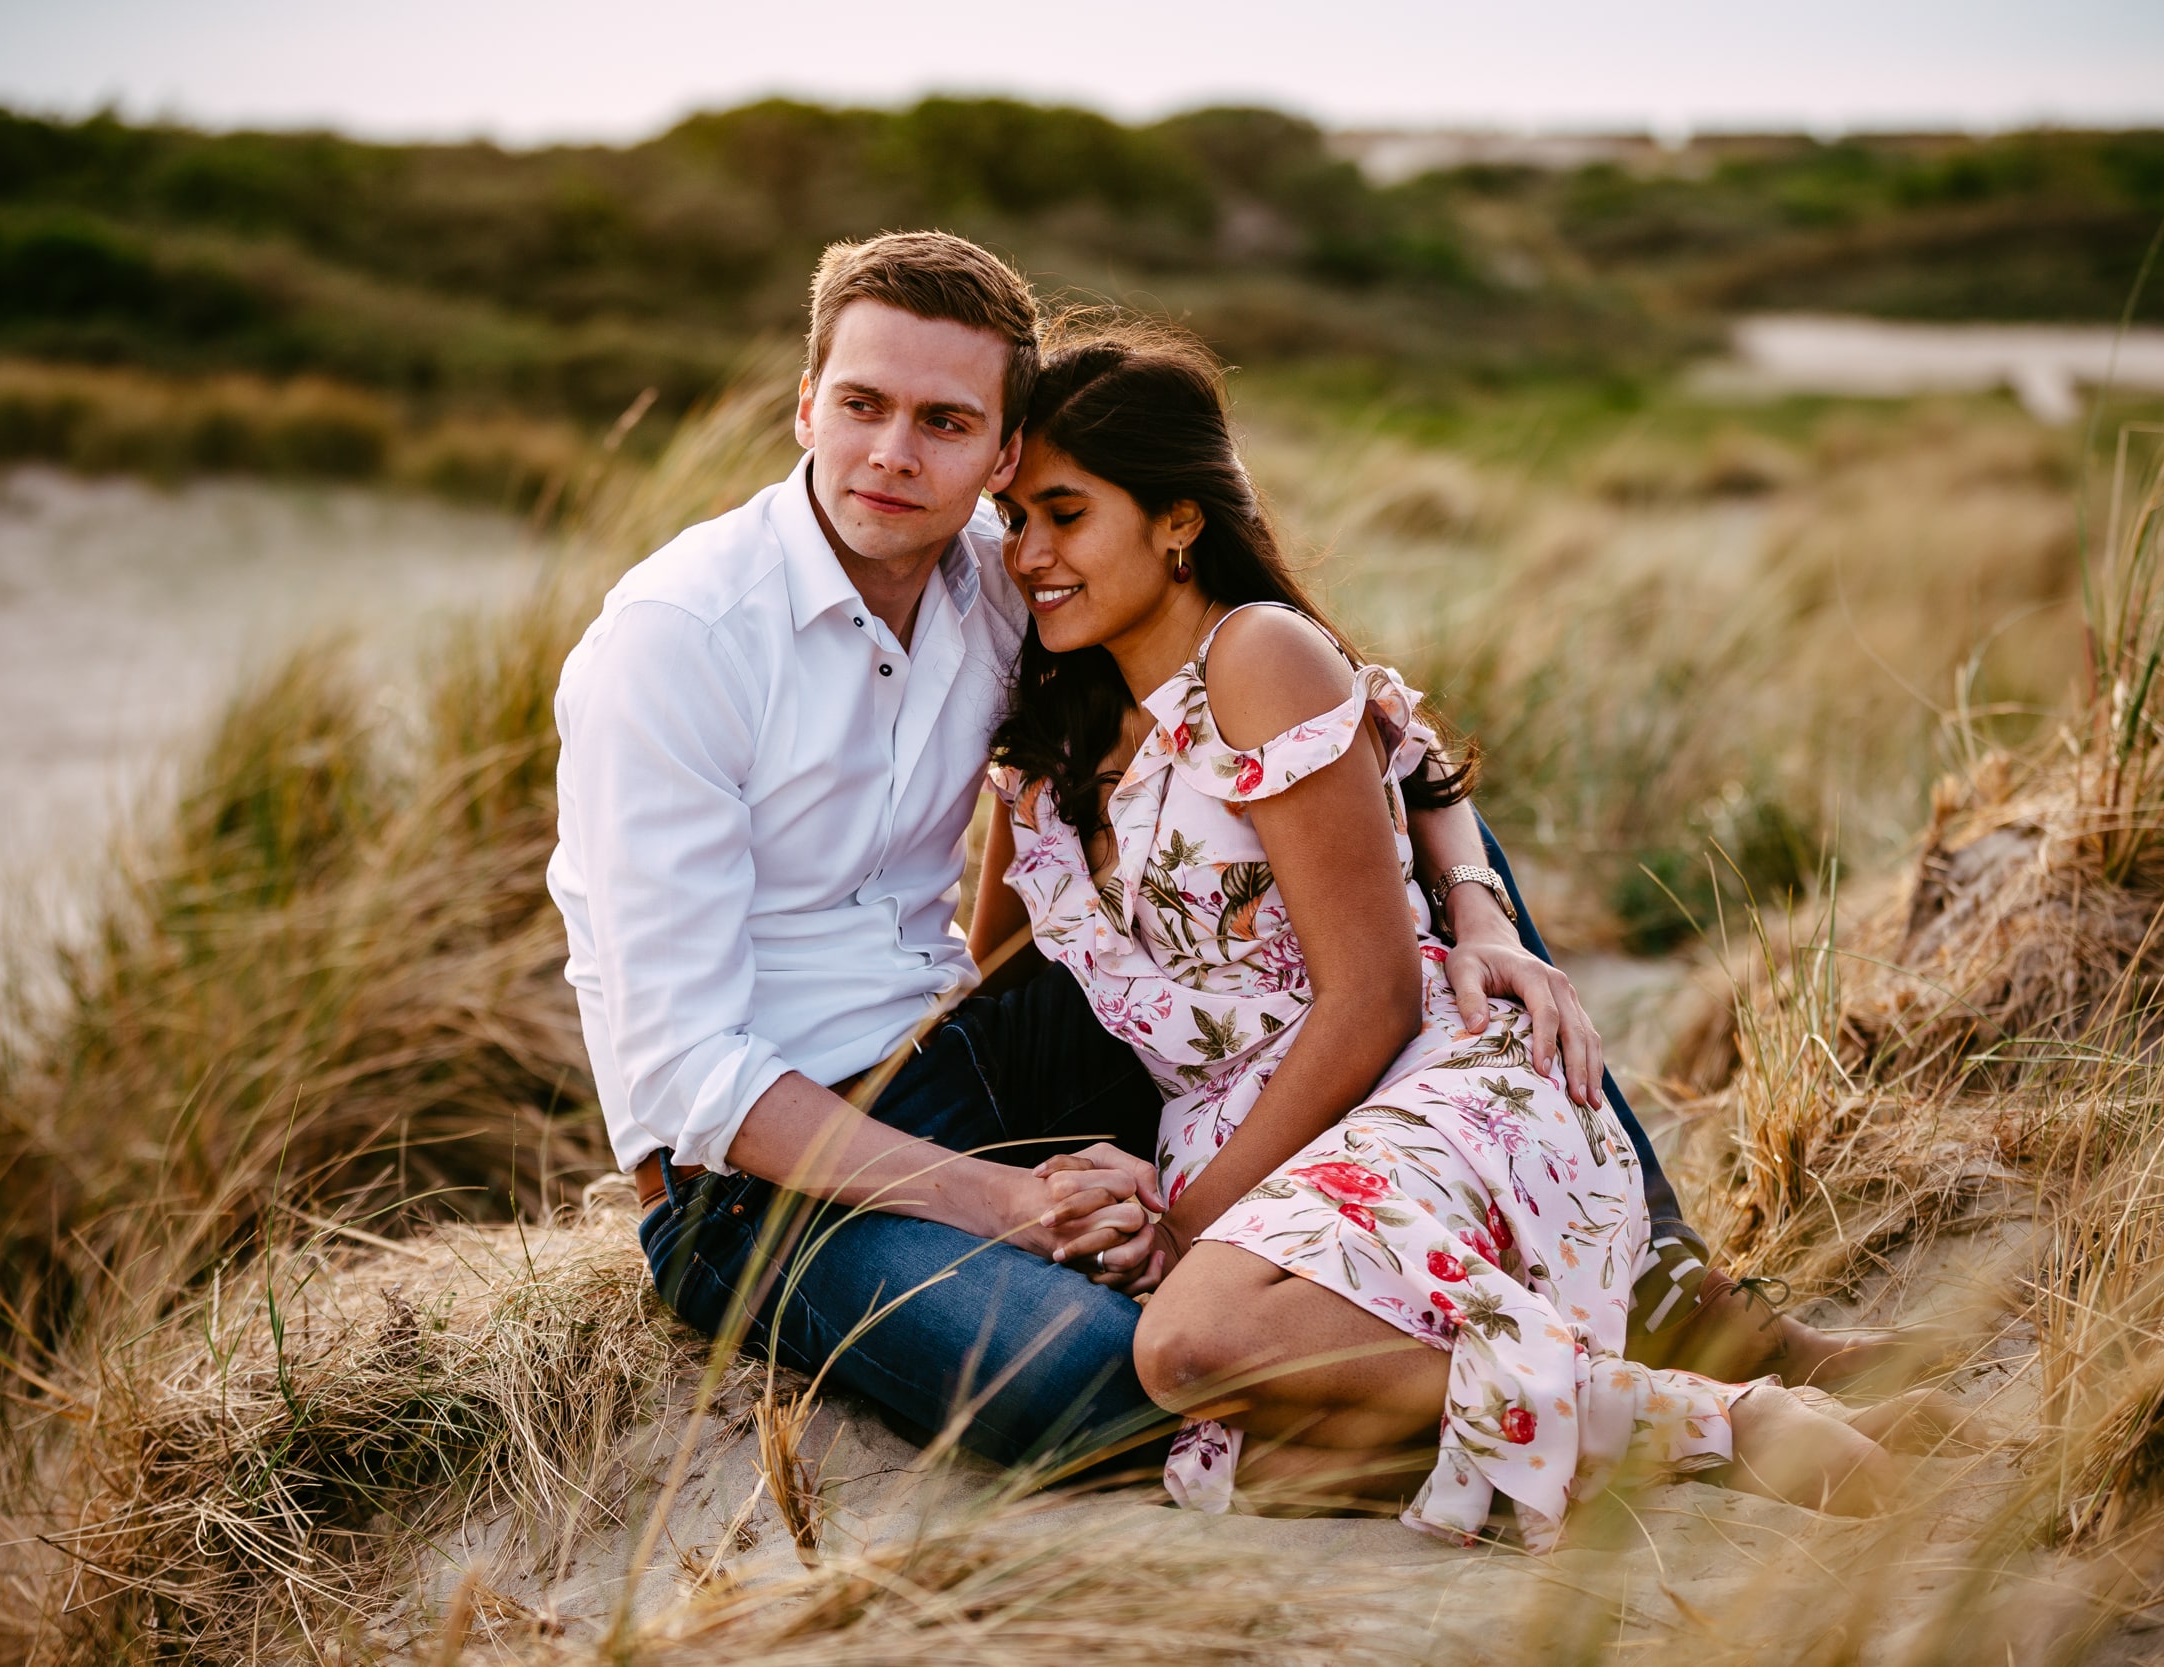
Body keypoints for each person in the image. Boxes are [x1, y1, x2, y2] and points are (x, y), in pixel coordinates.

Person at [546, 230, 1896, 1488]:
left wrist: (1483, 918)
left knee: (1419, 932)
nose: (894, 451)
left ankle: (1692, 1302)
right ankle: (1652, 1425)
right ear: (805, 403)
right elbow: (686, 1067)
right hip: (758, 1170)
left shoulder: (1009, 579)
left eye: (945, 422)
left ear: (998, 446)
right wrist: (1018, 1204)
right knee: (1085, 1378)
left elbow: (1374, 739)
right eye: (863, 404)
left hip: (970, 1047)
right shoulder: (678, 641)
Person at [974, 327, 1913, 1543]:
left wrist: (1191, 1216)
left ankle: (1718, 1418)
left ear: (1176, 520)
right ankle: (1698, 1415)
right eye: (1013, 520)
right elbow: (976, 971)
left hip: (1407, 1087)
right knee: (1250, 1456)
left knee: (1196, 1342)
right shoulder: (1044, 753)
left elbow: (1372, 997)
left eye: (1063, 513)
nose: (1029, 555)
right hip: (1240, 1138)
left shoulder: (1254, 657)